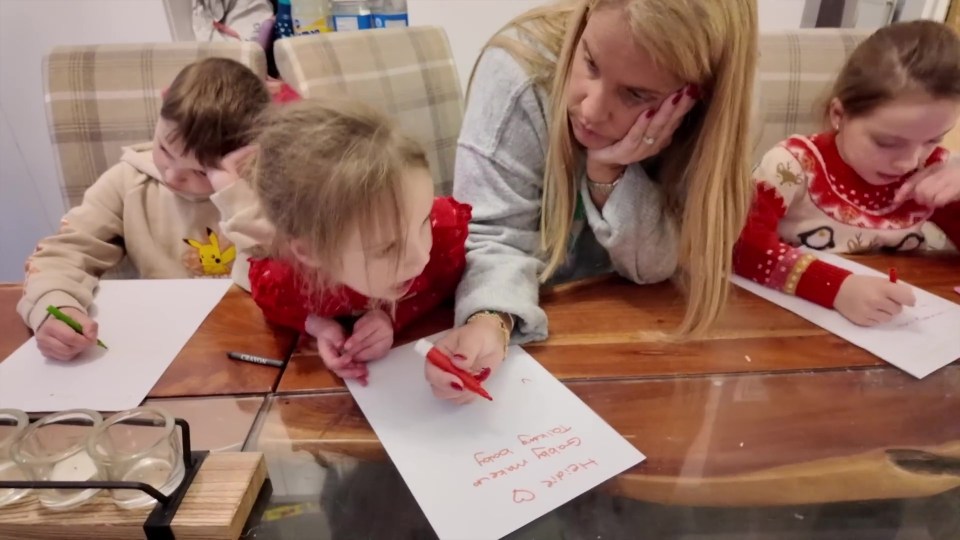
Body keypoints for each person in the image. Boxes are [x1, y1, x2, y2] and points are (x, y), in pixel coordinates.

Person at [428, 0, 759, 403]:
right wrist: (490, 318)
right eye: (590, 62)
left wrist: (610, 174)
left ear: (695, 99)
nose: (590, 110)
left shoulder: (716, 122)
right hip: (529, 340)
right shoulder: (519, 71)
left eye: (636, 94)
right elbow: (492, 233)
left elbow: (657, 267)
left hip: (637, 348)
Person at [18, 57, 273, 361]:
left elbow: (290, 275)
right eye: (165, 149)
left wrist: (237, 198)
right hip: (160, 345)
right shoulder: (128, 182)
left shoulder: (268, 192)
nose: (172, 176)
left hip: (254, 342)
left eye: (203, 172)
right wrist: (57, 306)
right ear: (163, 103)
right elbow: (63, 254)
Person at [734, 20, 960, 326]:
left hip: (895, 333)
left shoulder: (931, 169)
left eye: (933, 139)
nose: (909, 162)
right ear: (838, 114)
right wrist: (835, 287)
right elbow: (738, 245)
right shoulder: (792, 166)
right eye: (887, 142)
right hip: (785, 327)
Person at [239, 99, 472, 385]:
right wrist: (319, 326)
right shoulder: (286, 275)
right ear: (311, 253)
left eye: (423, 220)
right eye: (387, 248)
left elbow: (444, 280)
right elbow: (271, 300)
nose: (421, 256)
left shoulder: (441, 232)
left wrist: (391, 318)